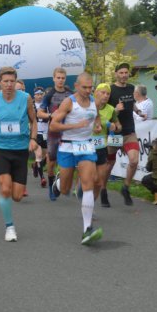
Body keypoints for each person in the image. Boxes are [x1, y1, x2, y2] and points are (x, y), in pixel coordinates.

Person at [0, 66, 38, 242]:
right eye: (6, 81)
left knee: (17, 196)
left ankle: (11, 185)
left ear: (16, 82)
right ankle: (9, 227)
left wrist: (33, 139)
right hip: (2, 148)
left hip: (20, 150)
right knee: (5, 189)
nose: (9, 84)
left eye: (12, 81)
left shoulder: (25, 98)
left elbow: (34, 121)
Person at [49, 72, 103, 244]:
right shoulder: (69, 102)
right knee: (65, 190)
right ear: (77, 86)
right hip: (67, 145)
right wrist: (75, 125)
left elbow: (97, 116)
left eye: (90, 87)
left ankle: (87, 229)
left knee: (90, 183)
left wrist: (98, 125)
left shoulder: (94, 101)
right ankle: (58, 183)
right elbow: (54, 125)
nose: (88, 90)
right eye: (85, 87)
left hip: (86, 145)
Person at [104, 63, 138, 207]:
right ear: (116, 73)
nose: (124, 75)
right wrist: (116, 111)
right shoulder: (110, 90)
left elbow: (132, 104)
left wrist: (138, 111)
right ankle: (103, 189)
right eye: (121, 72)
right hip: (115, 133)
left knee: (134, 161)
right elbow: (105, 110)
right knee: (109, 164)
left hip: (129, 131)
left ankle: (125, 187)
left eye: (126, 72)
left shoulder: (131, 88)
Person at [38, 67, 72, 201]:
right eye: (58, 78)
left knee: (68, 161)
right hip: (53, 132)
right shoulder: (49, 94)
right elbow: (39, 113)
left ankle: (62, 182)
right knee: (51, 161)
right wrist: (50, 115)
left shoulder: (70, 94)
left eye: (63, 78)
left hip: (68, 132)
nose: (60, 80)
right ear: (54, 78)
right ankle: (52, 184)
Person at [92, 83, 121, 210]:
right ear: (96, 93)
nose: (105, 95)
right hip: (87, 144)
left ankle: (90, 206)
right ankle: (82, 187)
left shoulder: (111, 109)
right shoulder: (89, 106)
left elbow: (118, 125)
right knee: (89, 176)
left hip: (101, 146)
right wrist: (107, 123)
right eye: (103, 92)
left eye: (108, 93)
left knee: (99, 180)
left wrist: (117, 127)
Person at [32, 87, 48, 187]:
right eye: (37, 94)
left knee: (46, 156)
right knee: (38, 155)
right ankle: (42, 177)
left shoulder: (46, 105)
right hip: (36, 133)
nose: (39, 96)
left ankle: (35, 166)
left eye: (41, 94)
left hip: (46, 133)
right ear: (34, 95)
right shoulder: (31, 105)